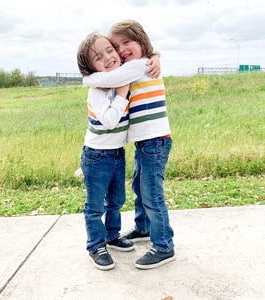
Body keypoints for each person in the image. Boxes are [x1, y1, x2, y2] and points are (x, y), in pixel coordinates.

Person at [82, 20, 175, 270]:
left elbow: (113, 76)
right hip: (145, 141)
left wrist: (87, 79)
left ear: (141, 41)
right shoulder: (141, 64)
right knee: (140, 186)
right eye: (116, 45)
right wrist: (155, 55)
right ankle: (144, 228)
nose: (121, 50)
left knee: (152, 193)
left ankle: (164, 245)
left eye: (126, 43)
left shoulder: (138, 66)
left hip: (154, 140)